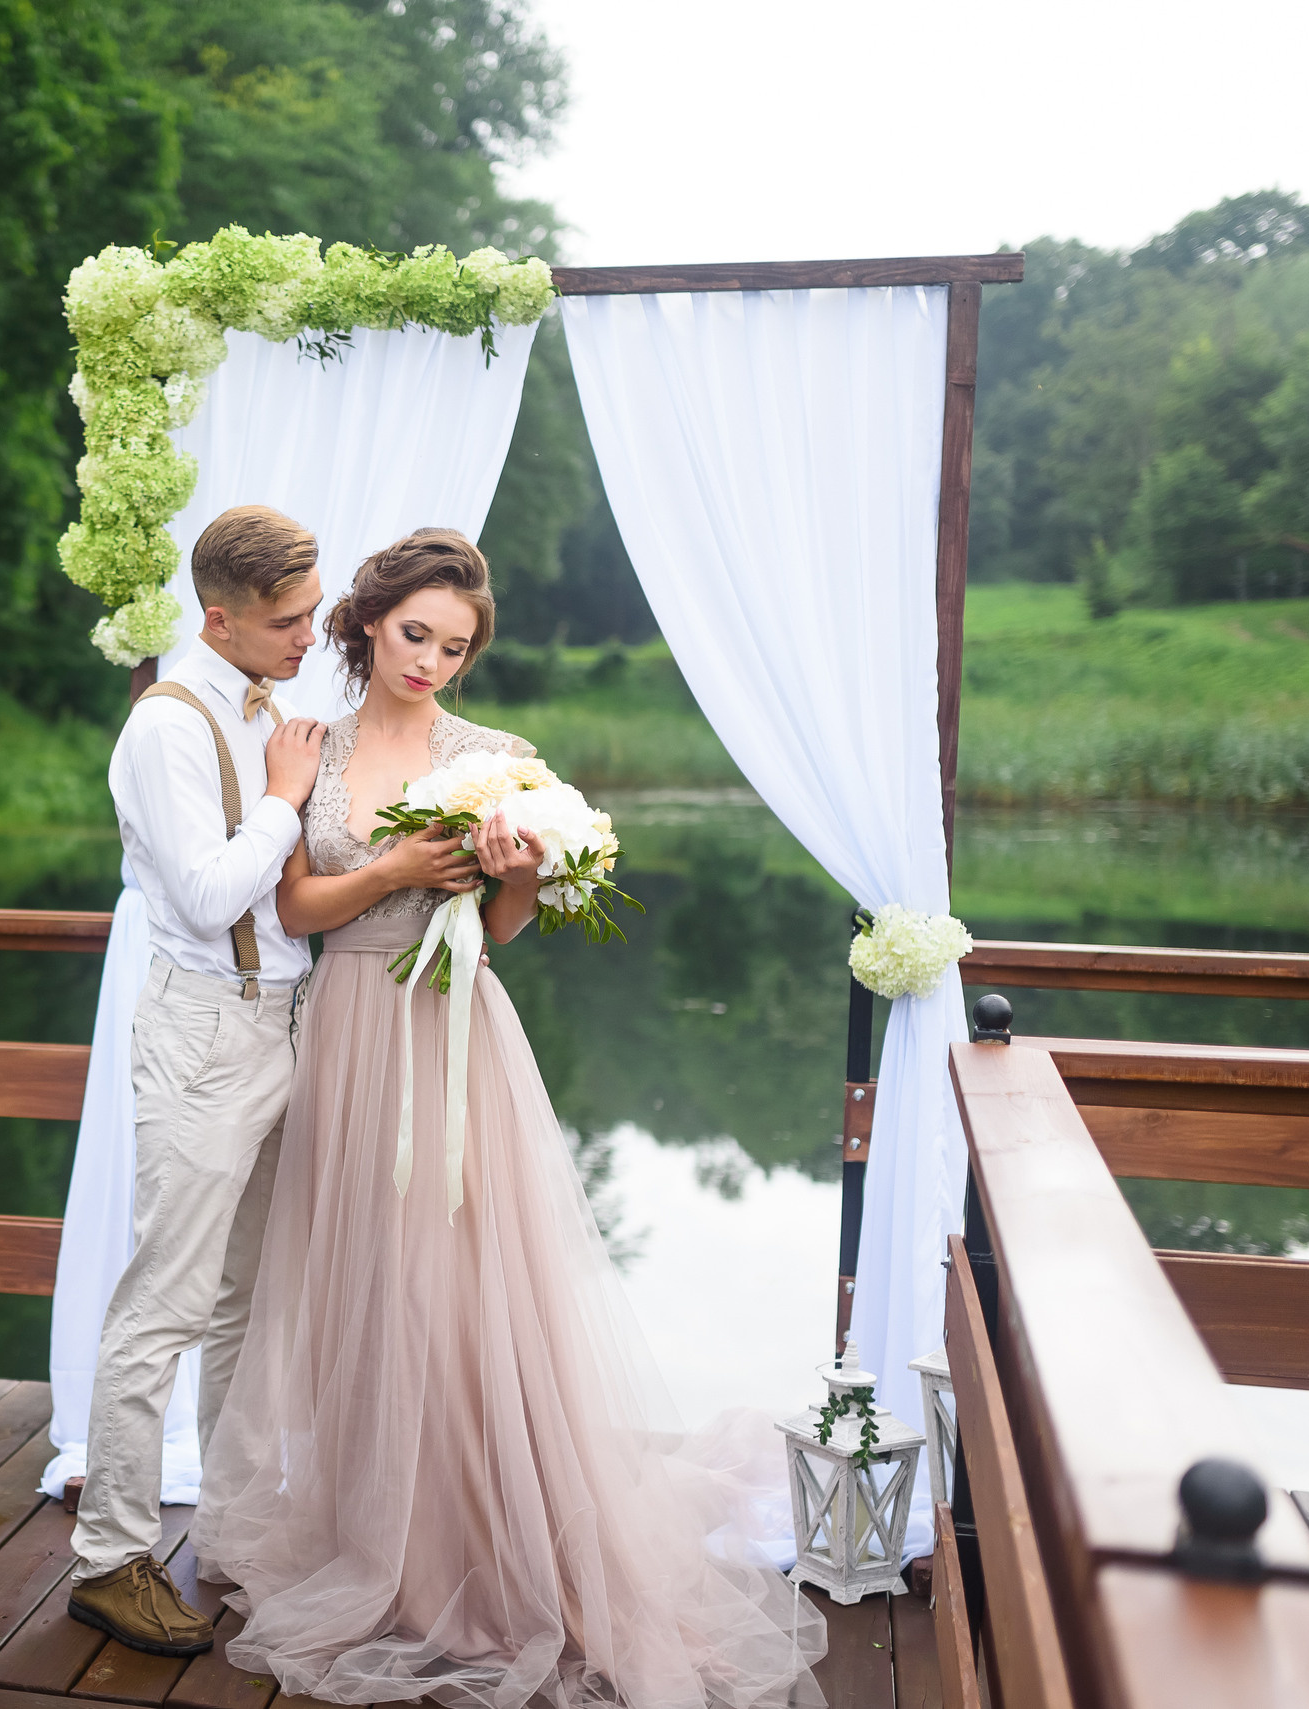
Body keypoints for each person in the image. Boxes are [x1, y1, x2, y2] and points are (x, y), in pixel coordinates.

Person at [194, 529, 826, 1708]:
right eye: (415, 633)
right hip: (346, 1025)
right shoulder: (309, 749)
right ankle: (369, 1529)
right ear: (367, 622)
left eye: (456, 644)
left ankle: (480, 1540)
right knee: (368, 1278)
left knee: (465, 1281)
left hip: (452, 1027)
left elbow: (508, 930)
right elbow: (296, 904)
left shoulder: (496, 758)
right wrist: (394, 873)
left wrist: (511, 871)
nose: (432, 659)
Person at [67, 504, 328, 1658]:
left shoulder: (272, 704)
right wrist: (283, 794)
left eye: (313, 614)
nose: (307, 637)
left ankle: (227, 1528)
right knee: (162, 1302)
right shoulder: (164, 728)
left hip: (282, 1024)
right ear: (216, 617)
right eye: (287, 620)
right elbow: (212, 894)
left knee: (243, 1300)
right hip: (200, 1032)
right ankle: (107, 1560)